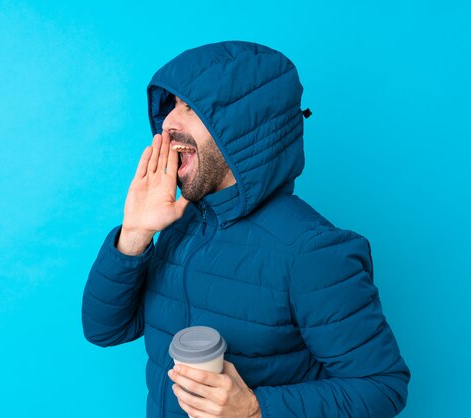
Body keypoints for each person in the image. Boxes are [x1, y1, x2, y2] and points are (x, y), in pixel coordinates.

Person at [81, 41, 410, 418]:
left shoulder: (312, 252)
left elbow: (383, 386)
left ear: (241, 127)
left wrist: (256, 409)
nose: (168, 123)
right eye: (169, 106)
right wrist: (136, 232)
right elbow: (104, 330)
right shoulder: (178, 228)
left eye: (189, 107)